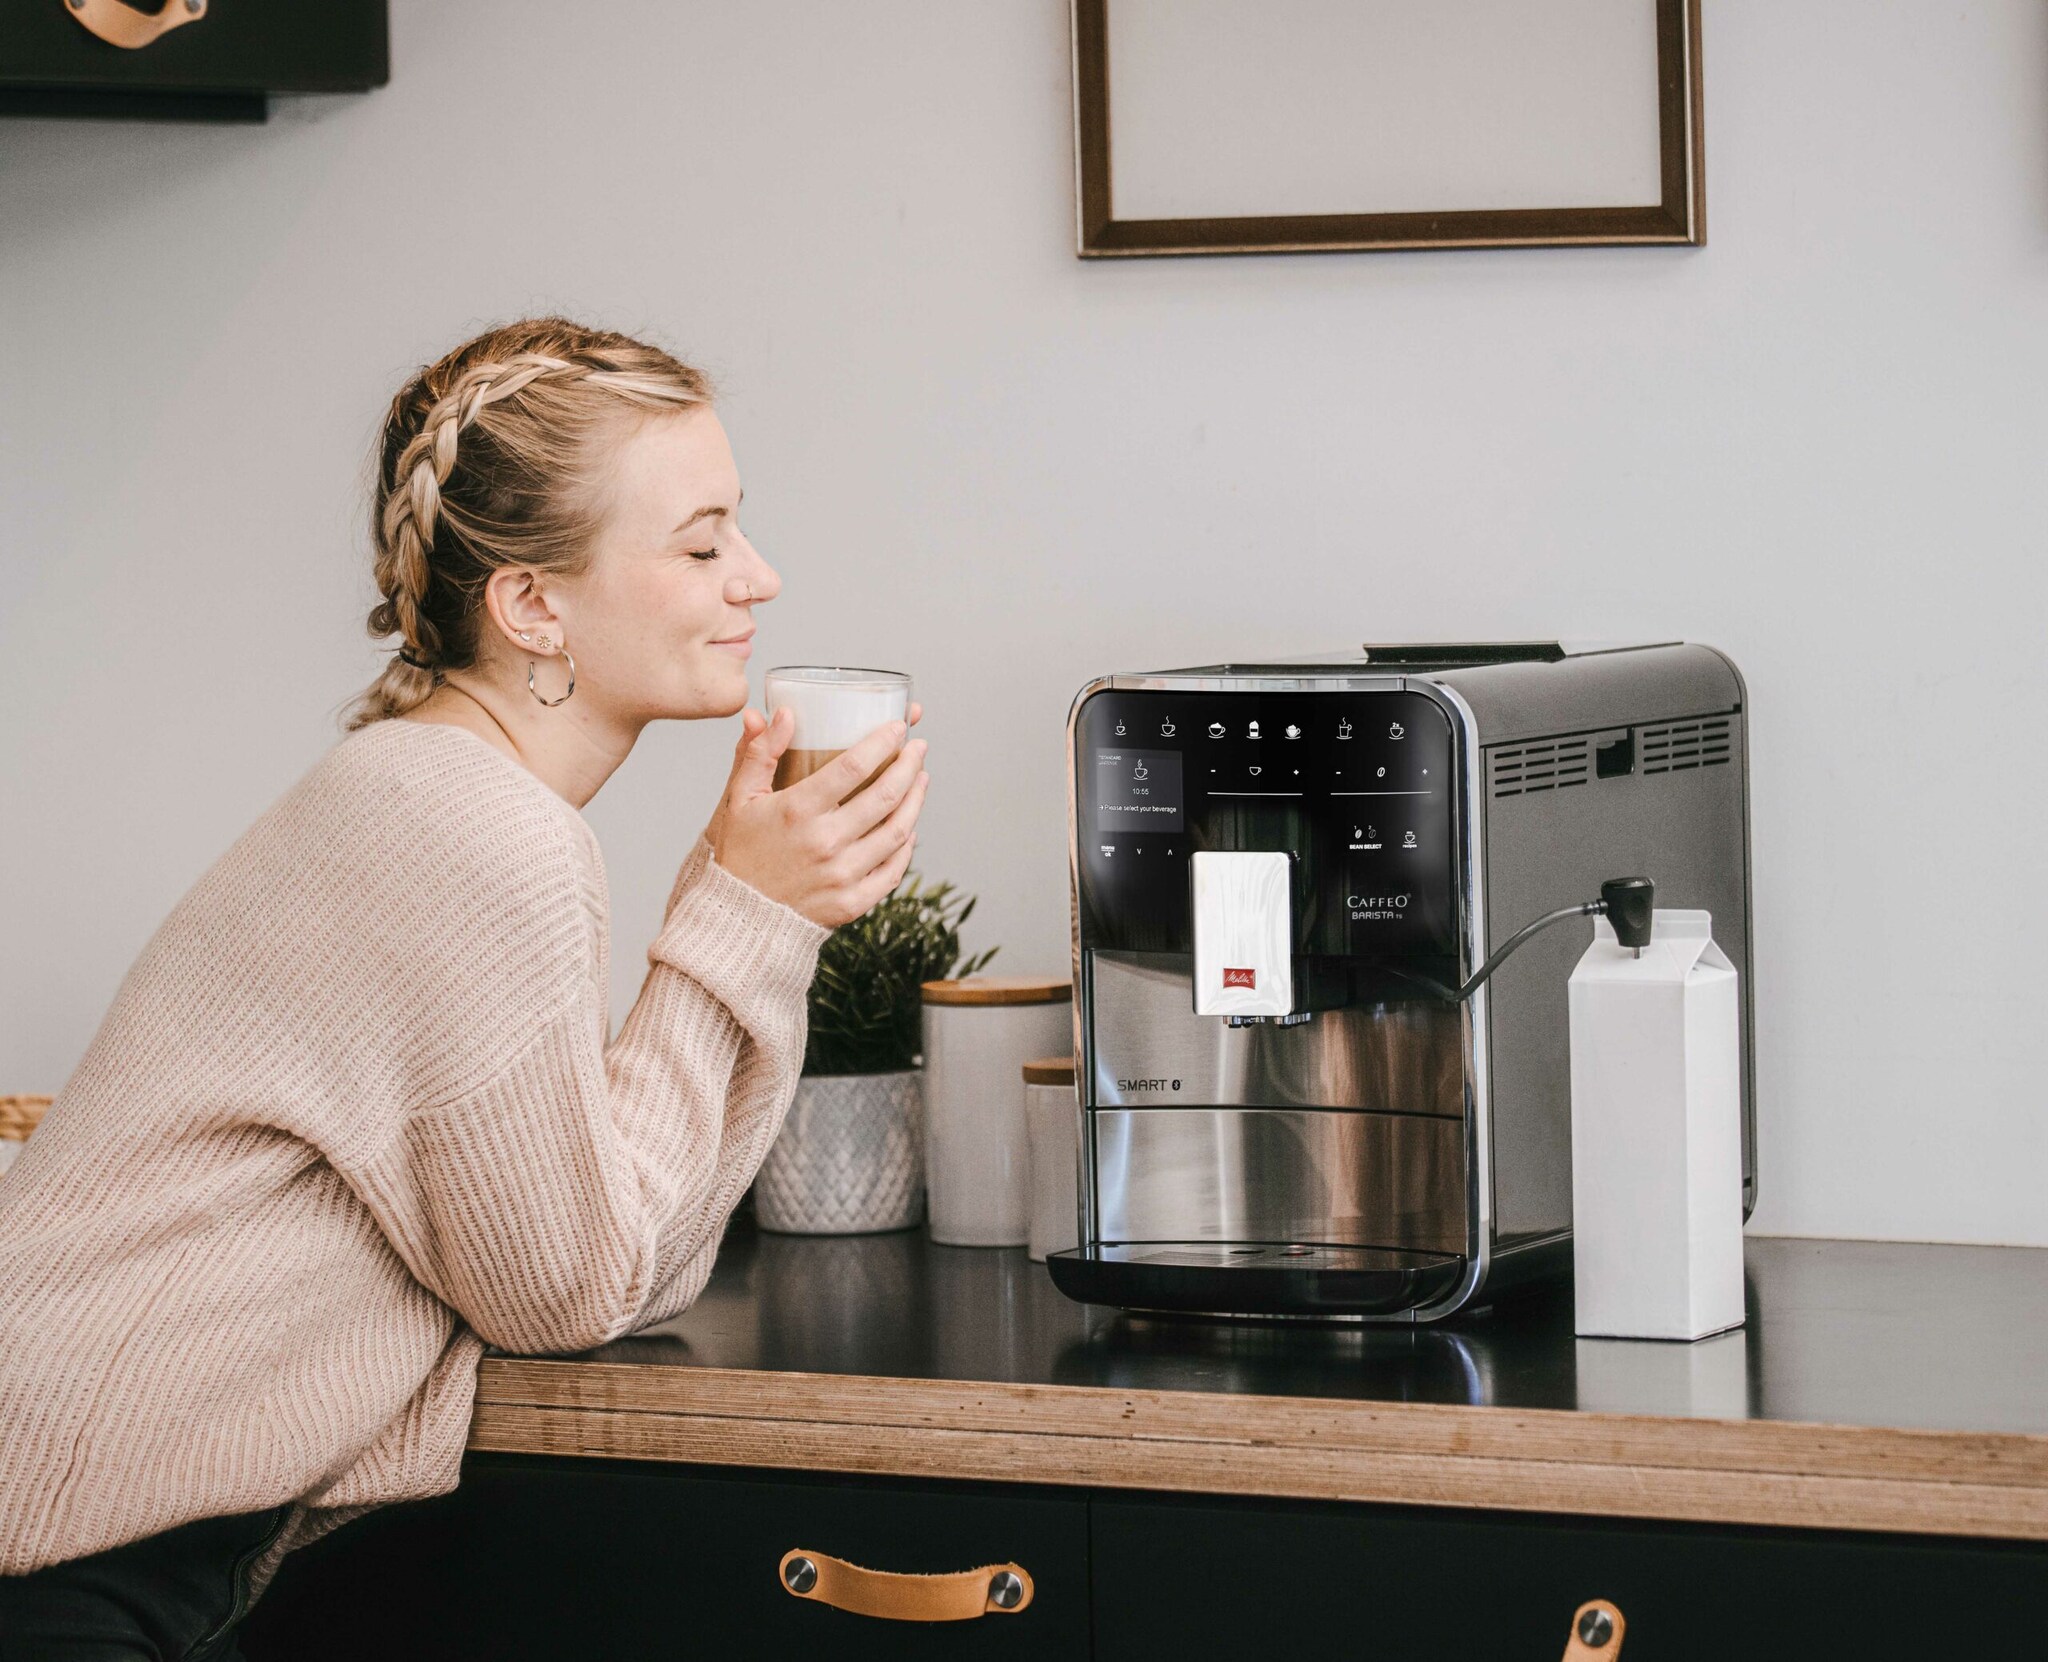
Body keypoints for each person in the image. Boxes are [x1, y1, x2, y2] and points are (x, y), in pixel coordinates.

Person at [0, 317, 929, 1659]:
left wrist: (751, 914)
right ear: (534, 604)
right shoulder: (475, 831)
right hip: (58, 1558)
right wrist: (746, 914)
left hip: (101, 1531)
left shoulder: (448, 796)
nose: (759, 578)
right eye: (704, 540)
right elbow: (565, 1291)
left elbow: (609, 1262)